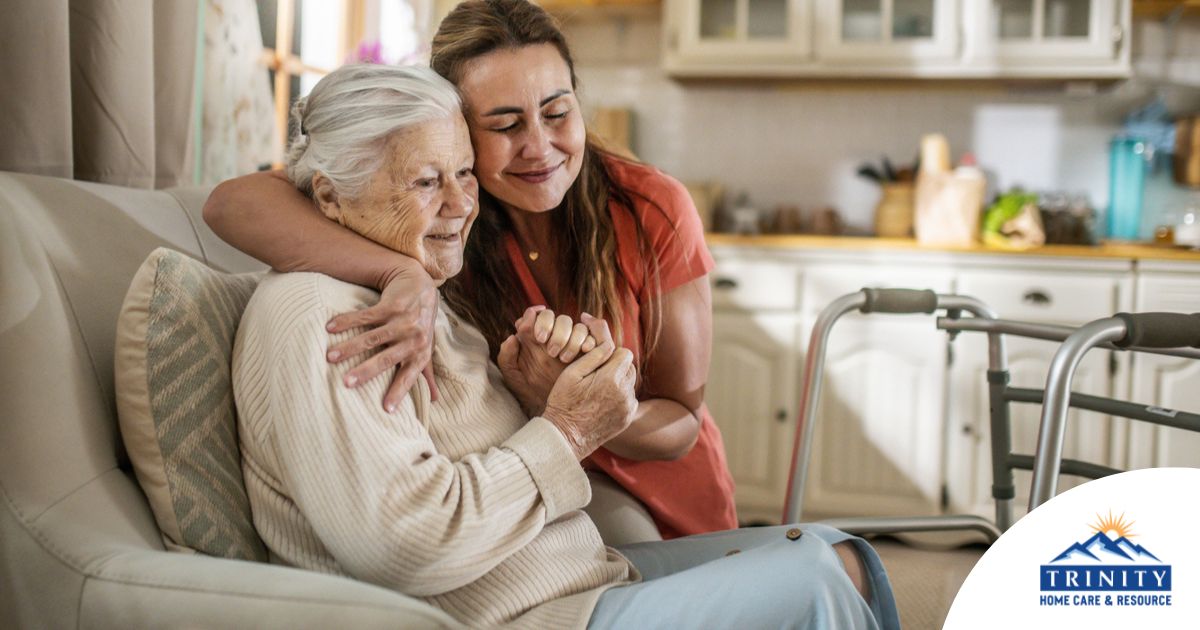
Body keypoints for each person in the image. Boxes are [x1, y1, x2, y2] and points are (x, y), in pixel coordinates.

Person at [233, 62, 899, 629]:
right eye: (426, 181)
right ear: (329, 195)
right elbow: (406, 543)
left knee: (839, 551)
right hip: (530, 617)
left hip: (577, 580)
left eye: (464, 174)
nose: (462, 204)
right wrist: (570, 427)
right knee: (816, 575)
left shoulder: (411, 290)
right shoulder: (322, 317)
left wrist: (540, 388)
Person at [205, 0, 734, 542]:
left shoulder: (650, 207)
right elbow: (231, 204)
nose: (539, 147)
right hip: (536, 495)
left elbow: (683, 424)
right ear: (456, 127)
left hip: (668, 501)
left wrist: (585, 408)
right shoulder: (446, 219)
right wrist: (400, 274)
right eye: (504, 124)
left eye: (557, 113)